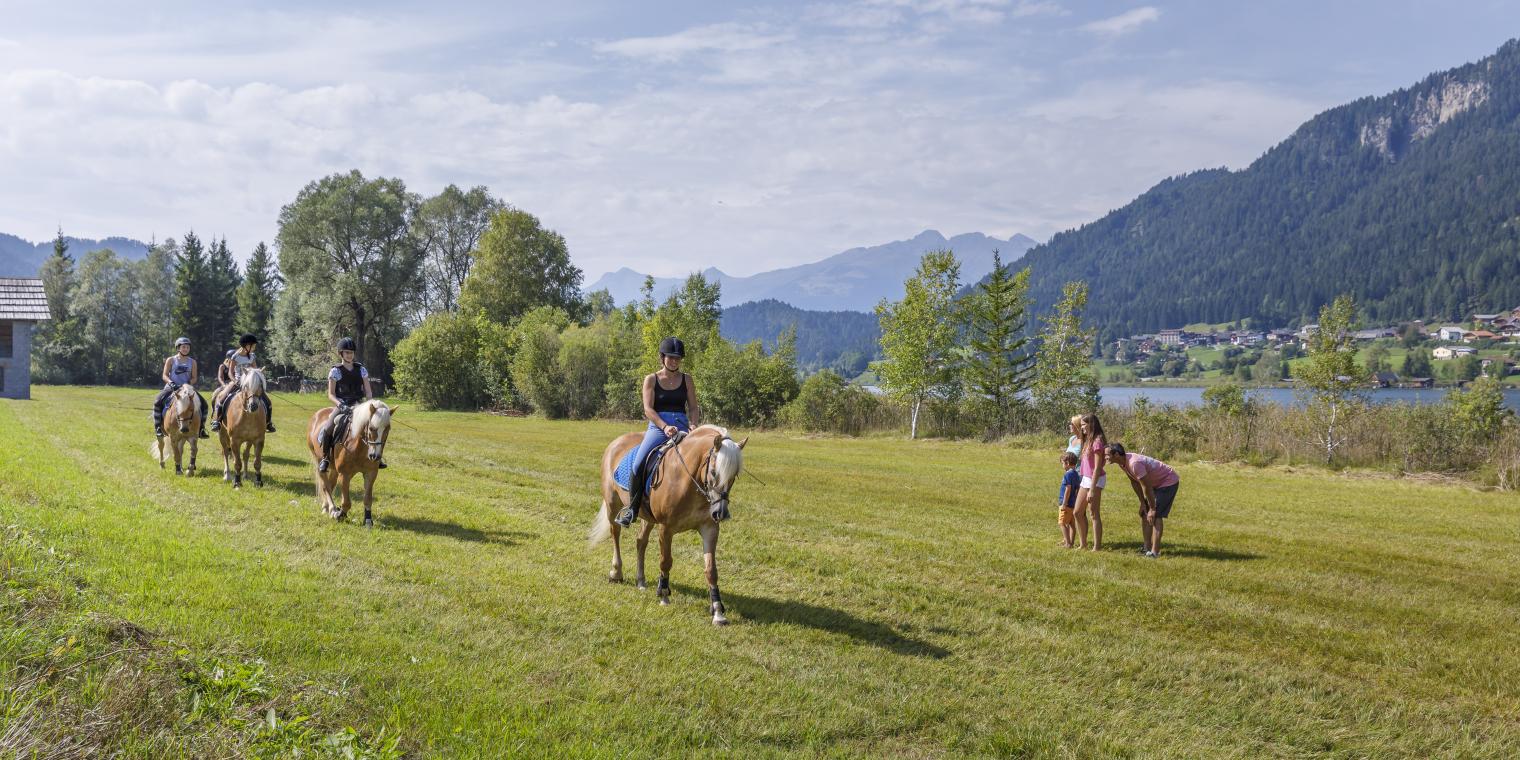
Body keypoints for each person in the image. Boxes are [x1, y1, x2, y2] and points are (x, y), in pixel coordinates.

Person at [615, 337, 703, 527]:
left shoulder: (687, 379)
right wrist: (664, 426)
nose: (674, 361)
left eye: (677, 358)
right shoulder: (651, 379)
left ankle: (705, 504)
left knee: (702, 460)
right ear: (662, 358)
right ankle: (632, 509)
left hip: (681, 425)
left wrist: (693, 424)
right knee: (638, 464)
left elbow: (694, 407)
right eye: (670, 357)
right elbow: (648, 409)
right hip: (658, 427)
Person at [317, 337, 380, 473]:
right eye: (346, 352)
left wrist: (370, 404)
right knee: (328, 428)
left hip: (359, 405)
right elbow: (331, 394)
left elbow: (368, 391)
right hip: (342, 405)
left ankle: (377, 456)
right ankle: (325, 458)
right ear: (341, 354)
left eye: (351, 352)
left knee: (375, 427)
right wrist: (341, 405)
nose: (349, 355)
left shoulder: (361, 369)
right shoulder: (335, 371)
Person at [1106, 443, 1180, 558]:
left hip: (1167, 481)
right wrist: (1142, 503)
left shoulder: (1134, 464)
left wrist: (1153, 508)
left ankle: (1155, 552)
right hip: (1154, 484)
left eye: (1107, 455)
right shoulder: (1122, 463)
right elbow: (1134, 482)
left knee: (1156, 516)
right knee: (1144, 513)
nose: (1105, 457)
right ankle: (1147, 548)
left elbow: (1147, 487)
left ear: (1116, 454)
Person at [211, 333, 275, 433]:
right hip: (237, 381)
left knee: (267, 401)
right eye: (252, 346)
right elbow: (230, 372)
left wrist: (259, 373)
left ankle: (268, 423)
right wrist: (235, 381)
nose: (254, 348)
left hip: (249, 383)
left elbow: (254, 369)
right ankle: (217, 421)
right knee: (222, 398)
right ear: (246, 346)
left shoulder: (252, 356)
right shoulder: (235, 356)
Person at [152, 337, 209, 439]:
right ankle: (158, 428)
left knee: (204, 404)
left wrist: (187, 384)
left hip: (186, 388)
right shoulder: (171, 360)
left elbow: (194, 378)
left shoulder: (193, 362)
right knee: (157, 401)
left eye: (187, 347)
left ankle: (201, 429)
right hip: (172, 387)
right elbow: (164, 375)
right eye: (183, 347)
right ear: (178, 348)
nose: (186, 349)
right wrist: (171, 383)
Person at [1073, 413, 1107, 551]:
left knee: (1093, 513)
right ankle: (1083, 544)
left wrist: (1092, 489)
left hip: (1096, 479)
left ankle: (1096, 547)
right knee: (1077, 512)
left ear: (1091, 424)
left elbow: (1098, 468)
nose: (1081, 428)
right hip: (1086, 478)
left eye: (1083, 425)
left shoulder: (1098, 441)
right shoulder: (1087, 439)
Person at [1057, 451, 1080, 548]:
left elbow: (1068, 489)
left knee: (1062, 523)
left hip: (1066, 504)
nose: (1062, 465)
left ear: (1067, 463)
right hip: (1073, 504)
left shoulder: (1067, 475)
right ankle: (1071, 541)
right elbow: (1078, 489)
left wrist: (1064, 503)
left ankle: (1068, 543)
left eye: (1062, 463)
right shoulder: (1076, 474)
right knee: (1071, 524)